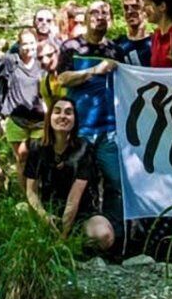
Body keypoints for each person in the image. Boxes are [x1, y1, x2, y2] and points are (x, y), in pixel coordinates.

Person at [57, 0, 125, 247]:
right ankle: (75, 238)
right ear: (85, 18)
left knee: (116, 183)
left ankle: (114, 238)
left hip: (110, 130)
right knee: (78, 187)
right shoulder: (72, 46)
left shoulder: (117, 50)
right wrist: (94, 71)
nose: (100, 17)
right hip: (81, 130)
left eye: (105, 12)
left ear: (111, 19)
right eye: (94, 12)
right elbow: (62, 78)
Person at [25, 98, 116, 250]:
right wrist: (43, 216)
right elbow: (30, 191)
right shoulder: (37, 148)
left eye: (69, 112)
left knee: (104, 235)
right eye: (57, 111)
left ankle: (75, 245)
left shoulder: (84, 148)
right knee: (19, 214)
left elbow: (74, 200)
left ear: (75, 119)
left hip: (82, 213)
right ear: (49, 118)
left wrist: (63, 238)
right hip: (50, 213)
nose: (63, 116)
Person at [0, 28, 45, 186]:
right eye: (24, 43)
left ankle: (42, 197)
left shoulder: (43, 62)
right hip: (17, 120)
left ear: (36, 43)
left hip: (41, 121)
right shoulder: (11, 61)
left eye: (31, 43)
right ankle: (28, 199)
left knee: (40, 159)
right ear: (19, 44)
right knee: (22, 159)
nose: (28, 47)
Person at [113, 0, 152, 66]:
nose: (129, 11)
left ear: (145, 11)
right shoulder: (117, 45)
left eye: (135, 7)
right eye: (126, 8)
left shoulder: (156, 43)